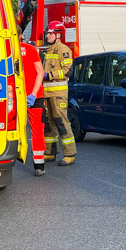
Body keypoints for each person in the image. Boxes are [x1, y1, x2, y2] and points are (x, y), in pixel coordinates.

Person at [41, 21, 77, 166]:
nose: (47, 35)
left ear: (58, 35)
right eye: (48, 33)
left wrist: (49, 75)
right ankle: (50, 152)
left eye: (50, 33)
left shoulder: (64, 50)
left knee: (61, 123)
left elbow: (68, 71)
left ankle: (70, 154)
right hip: (47, 94)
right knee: (48, 124)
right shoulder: (48, 50)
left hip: (58, 94)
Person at [19, 30, 47, 176]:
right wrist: (33, 94)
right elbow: (40, 72)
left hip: (16, 96)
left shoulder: (7, 48)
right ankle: (39, 165)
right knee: (37, 130)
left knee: (14, 128)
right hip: (35, 96)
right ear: (21, 35)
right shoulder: (30, 49)